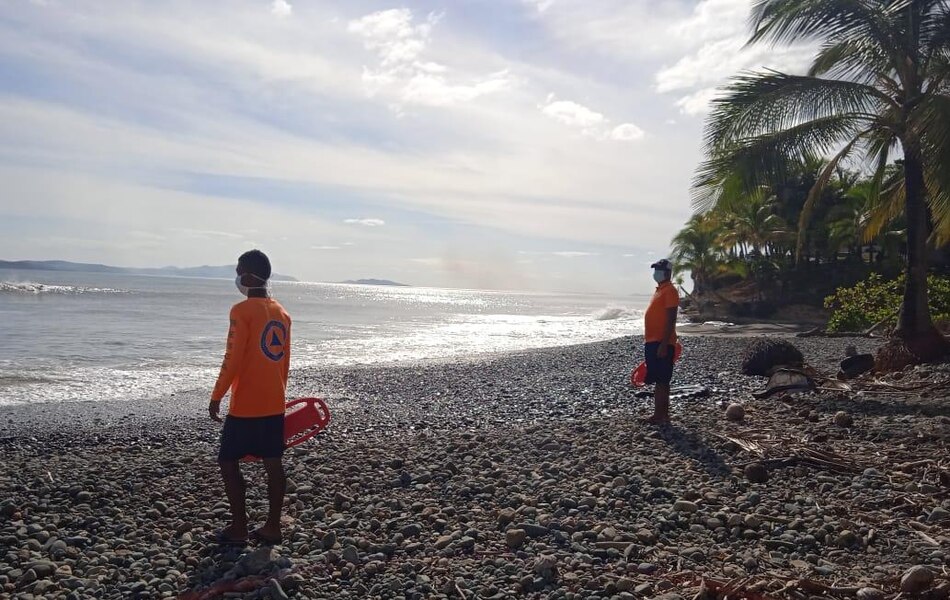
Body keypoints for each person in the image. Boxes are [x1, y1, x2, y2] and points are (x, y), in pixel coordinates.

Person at [209, 249, 292, 545]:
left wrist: (217, 395)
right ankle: (272, 527)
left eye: (237, 270)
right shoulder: (281, 312)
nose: (236, 276)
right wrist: (280, 395)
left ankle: (239, 527)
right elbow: (284, 361)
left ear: (246, 275)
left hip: (245, 406)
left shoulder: (241, 311)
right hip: (274, 401)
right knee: (273, 463)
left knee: (228, 462)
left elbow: (232, 358)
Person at [642, 258, 679, 424]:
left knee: (662, 380)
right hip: (652, 341)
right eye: (655, 269)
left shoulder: (670, 290)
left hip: (661, 342)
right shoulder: (659, 290)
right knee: (659, 379)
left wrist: (664, 344)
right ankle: (661, 414)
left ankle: (660, 415)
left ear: (668, 272)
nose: (656, 272)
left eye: (659, 269)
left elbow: (671, 319)